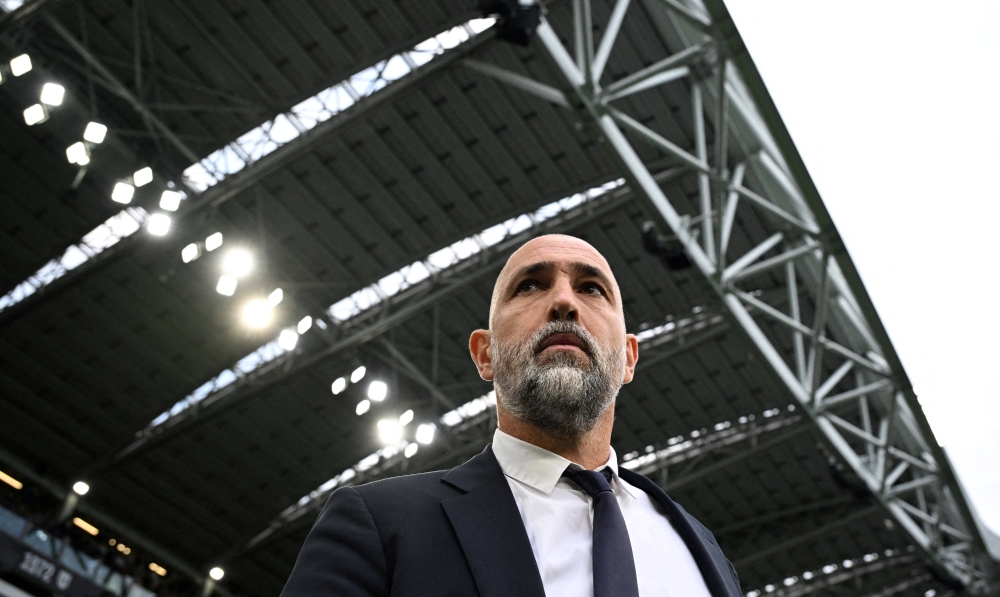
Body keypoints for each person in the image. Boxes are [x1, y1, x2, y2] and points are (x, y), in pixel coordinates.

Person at [280, 234, 742, 597]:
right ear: (485, 354)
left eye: (591, 288)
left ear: (628, 358)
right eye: (530, 285)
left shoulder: (704, 550)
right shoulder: (381, 524)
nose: (564, 302)